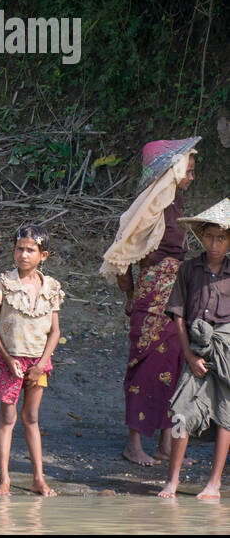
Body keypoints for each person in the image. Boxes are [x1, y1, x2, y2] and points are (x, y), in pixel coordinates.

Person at [99, 138, 199, 466]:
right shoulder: (151, 206)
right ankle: (134, 444)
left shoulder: (173, 203)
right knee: (146, 368)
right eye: (189, 170)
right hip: (153, 299)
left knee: (173, 366)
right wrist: (130, 294)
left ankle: (165, 446)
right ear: (175, 170)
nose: (192, 177)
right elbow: (123, 252)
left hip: (175, 298)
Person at [0, 225, 63, 497]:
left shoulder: (50, 287)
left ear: (43, 255)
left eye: (31, 250)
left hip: (39, 363)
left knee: (31, 417)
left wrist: (42, 363)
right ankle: (3, 478)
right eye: (20, 248)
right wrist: (7, 357)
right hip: (10, 361)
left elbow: (55, 331)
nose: (24, 254)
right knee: (7, 417)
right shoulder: (2, 284)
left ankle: (38, 478)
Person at [158, 201, 230, 499]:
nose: (215, 244)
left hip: (226, 352)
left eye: (222, 238)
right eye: (210, 237)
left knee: (226, 417)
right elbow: (177, 314)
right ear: (201, 235)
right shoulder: (189, 269)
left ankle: (213, 483)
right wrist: (189, 355)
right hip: (196, 350)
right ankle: (172, 480)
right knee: (180, 415)